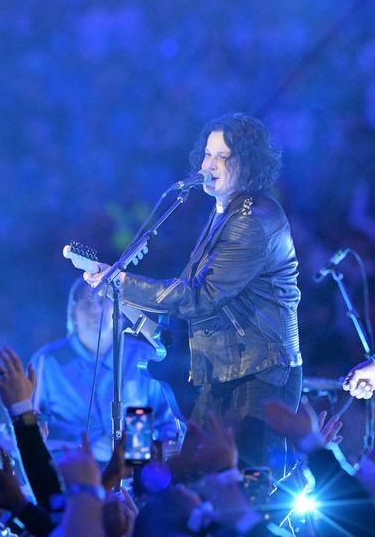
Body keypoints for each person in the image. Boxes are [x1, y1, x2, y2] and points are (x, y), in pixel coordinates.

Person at [86, 113, 302, 471]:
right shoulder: (224, 211)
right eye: (207, 154)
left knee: (249, 485)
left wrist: (124, 284)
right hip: (223, 373)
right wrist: (123, 291)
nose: (208, 164)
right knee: (196, 481)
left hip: (259, 377)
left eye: (222, 156)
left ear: (247, 163)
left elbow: (200, 296)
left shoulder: (252, 221)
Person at [29, 278, 178, 462]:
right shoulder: (47, 362)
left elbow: (168, 423)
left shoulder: (145, 356)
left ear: (120, 312)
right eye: (87, 303)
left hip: (134, 474)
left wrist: (150, 451)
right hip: (72, 475)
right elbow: (29, 425)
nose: (96, 310)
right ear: (73, 313)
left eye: (103, 301)